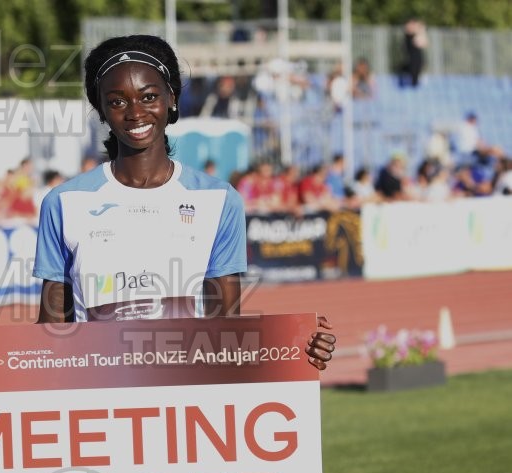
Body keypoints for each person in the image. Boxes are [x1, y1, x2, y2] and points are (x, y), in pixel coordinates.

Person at [33, 34, 335, 370]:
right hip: (96, 392)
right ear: (101, 110)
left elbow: (227, 329)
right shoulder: (63, 203)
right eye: (117, 102)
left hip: (186, 396)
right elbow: (49, 333)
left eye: (149, 97)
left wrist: (296, 348)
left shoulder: (217, 200)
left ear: (171, 99)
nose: (135, 113)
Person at [399, 18, 427, 88]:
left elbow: (423, 43)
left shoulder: (416, 35)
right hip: (411, 60)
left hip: (417, 60)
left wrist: (421, 30)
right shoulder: (409, 36)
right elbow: (417, 42)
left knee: (415, 78)